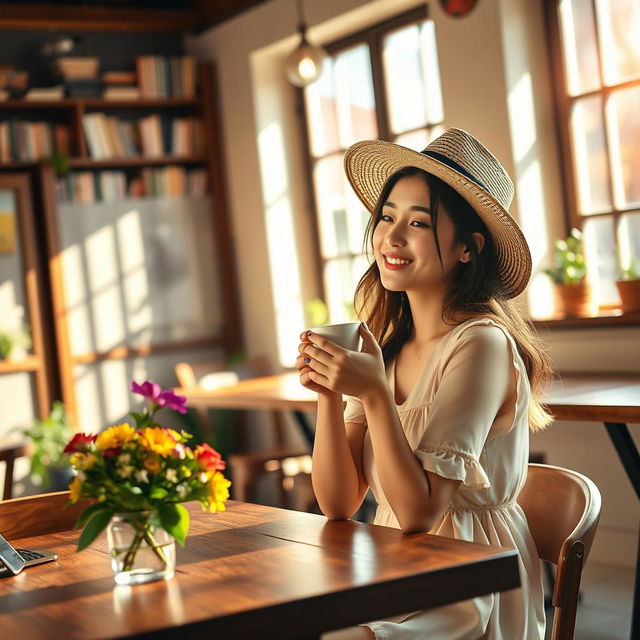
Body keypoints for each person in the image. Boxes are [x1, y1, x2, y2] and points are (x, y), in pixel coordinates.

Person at [295, 128, 553, 640]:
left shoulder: (481, 345)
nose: (392, 238)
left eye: (419, 223)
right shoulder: (387, 348)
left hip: (473, 579)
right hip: (401, 568)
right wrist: (328, 395)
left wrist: (371, 395)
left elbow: (419, 511)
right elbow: (339, 502)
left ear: (467, 248)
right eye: (387, 217)